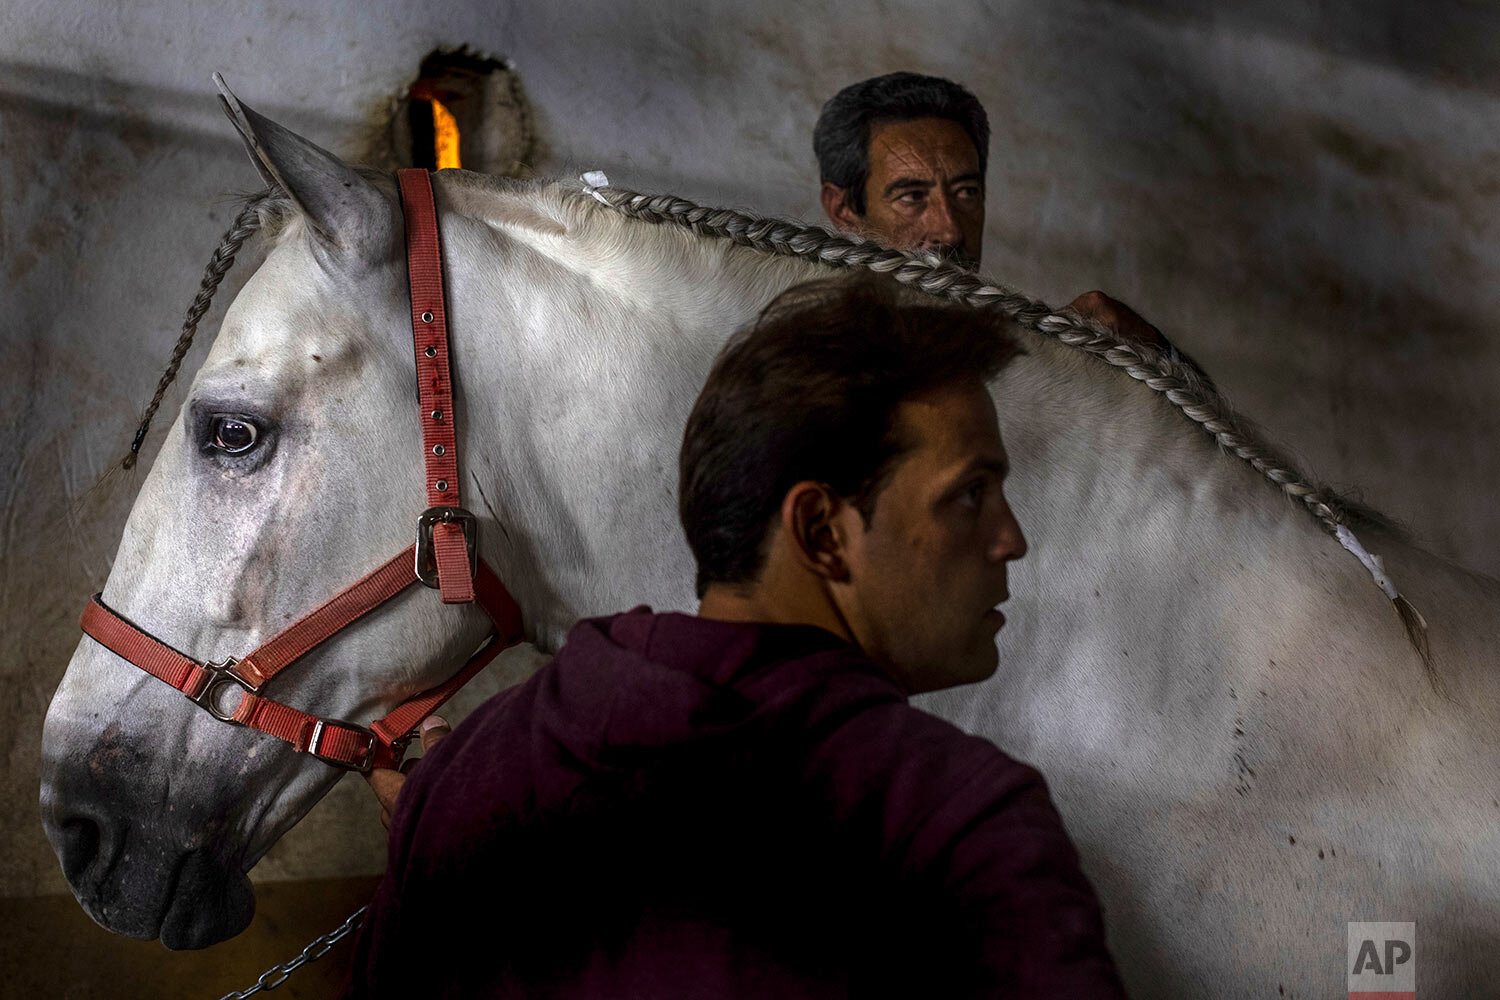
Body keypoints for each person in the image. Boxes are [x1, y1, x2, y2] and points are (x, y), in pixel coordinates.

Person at [349, 276, 1128, 998]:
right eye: (970, 495)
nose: (1011, 538)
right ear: (822, 531)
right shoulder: (962, 827)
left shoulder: (469, 773)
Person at [815, 70, 1162, 345]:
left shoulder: (1014, 352)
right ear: (843, 209)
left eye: (966, 192)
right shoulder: (801, 364)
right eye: (912, 196)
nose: (949, 230)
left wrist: (1153, 355)